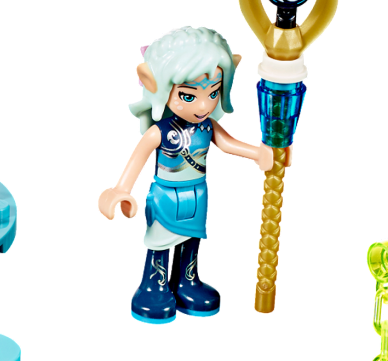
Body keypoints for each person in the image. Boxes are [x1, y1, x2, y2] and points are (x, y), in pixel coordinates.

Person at [97, 26, 275, 323]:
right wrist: (120, 190)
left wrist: (259, 153)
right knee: (159, 243)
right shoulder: (159, 131)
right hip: (166, 196)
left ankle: (186, 281)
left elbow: (228, 144)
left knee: (192, 240)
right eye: (189, 96)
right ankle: (153, 285)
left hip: (198, 193)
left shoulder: (206, 127)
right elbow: (137, 159)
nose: (204, 105)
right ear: (155, 85)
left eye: (213, 92)